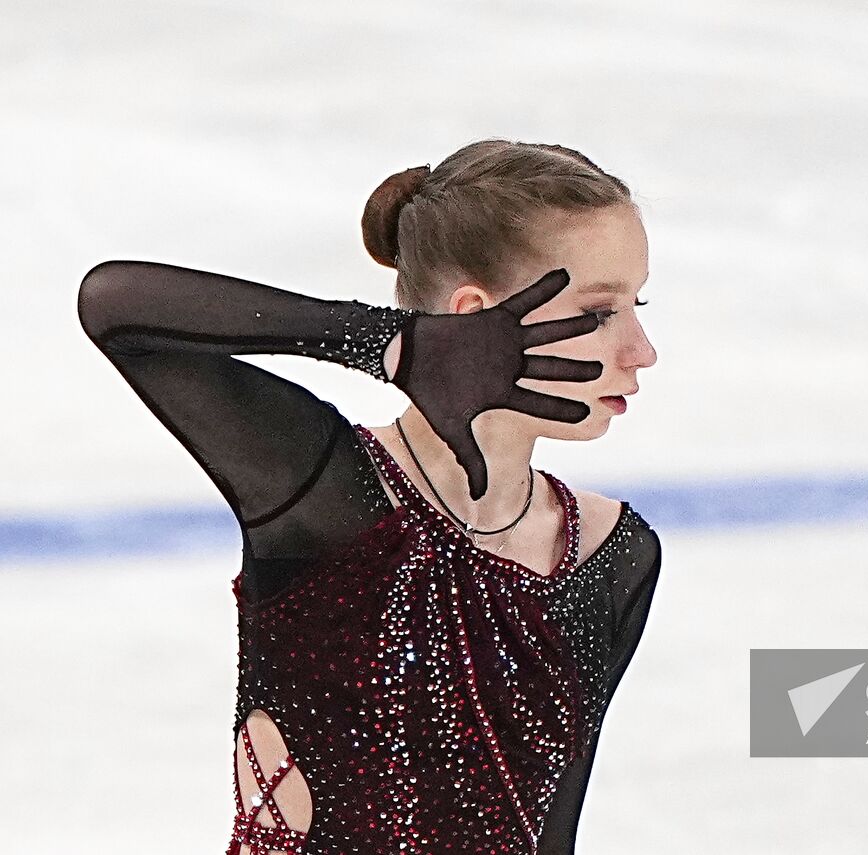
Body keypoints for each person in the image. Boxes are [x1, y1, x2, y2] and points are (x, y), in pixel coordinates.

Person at [76, 139, 662, 854]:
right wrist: (394, 343)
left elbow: (550, 835)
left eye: (639, 304)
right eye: (600, 313)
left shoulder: (613, 556)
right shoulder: (326, 494)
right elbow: (114, 306)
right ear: (472, 315)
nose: (642, 349)